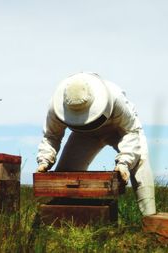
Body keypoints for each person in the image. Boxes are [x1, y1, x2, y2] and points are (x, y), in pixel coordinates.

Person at [36, 72, 156, 216]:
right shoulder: (55, 106)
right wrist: (44, 160)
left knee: (140, 162)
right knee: (65, 174)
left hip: (120, 130)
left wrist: (124, 163)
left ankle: (149, 220)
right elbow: (51, 136)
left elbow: (131, 132)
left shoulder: (116, 98)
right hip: (85, 136)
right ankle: (64, 219)